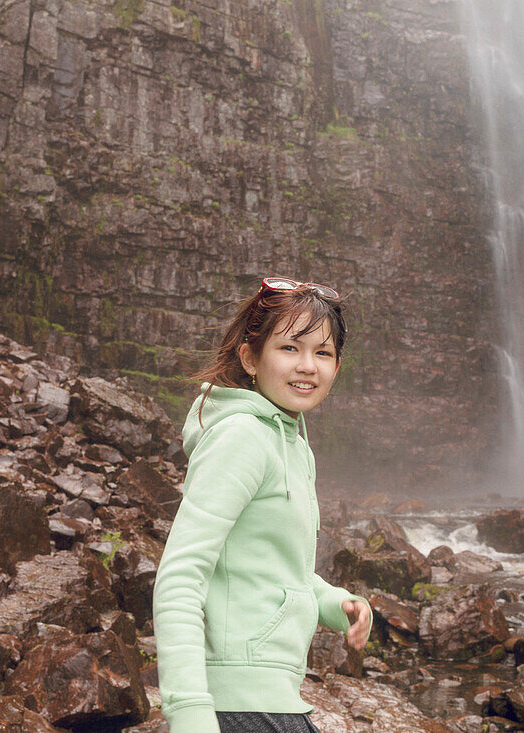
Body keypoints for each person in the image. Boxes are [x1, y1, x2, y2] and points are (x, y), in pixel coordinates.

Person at [153, 276, 372, 733]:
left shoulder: (290, 442)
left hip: (274, 701)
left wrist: (333, 602)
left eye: (323, 353)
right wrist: (189, 710)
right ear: (251, 358)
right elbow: (180, 575)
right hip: (237, 709)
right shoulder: (243, 436)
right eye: (290, 348)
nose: (308, 366)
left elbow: (266, 563)